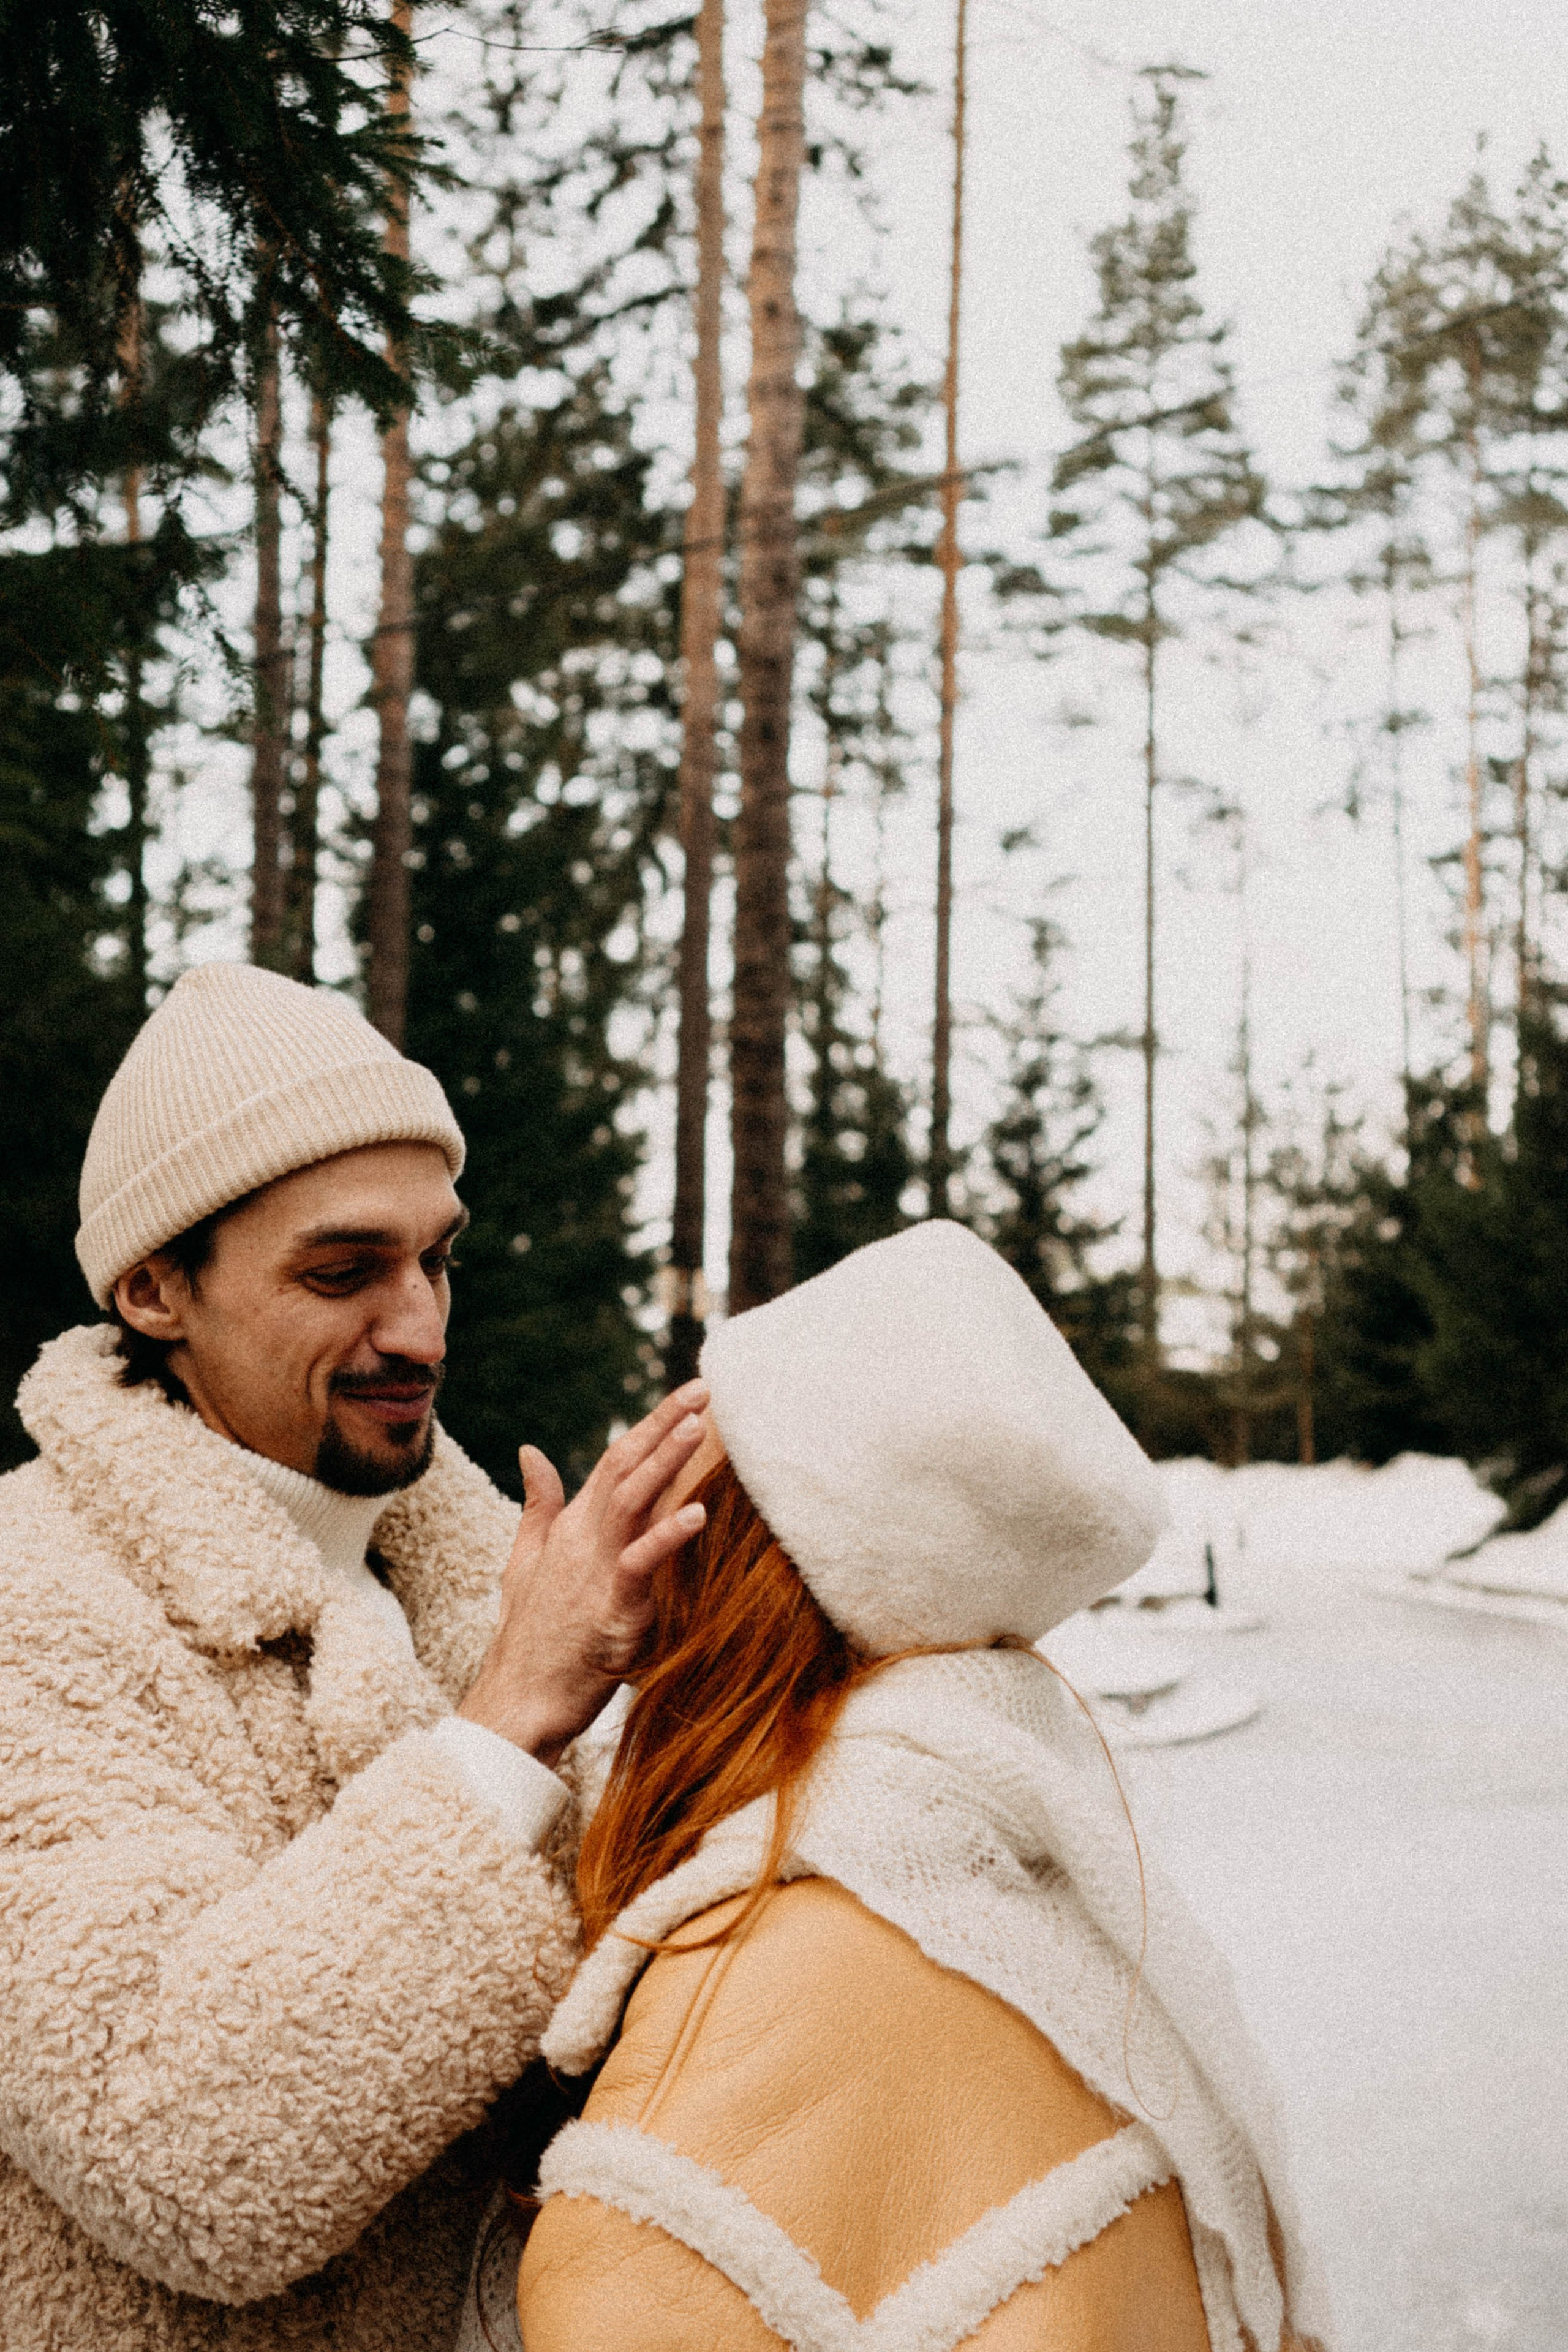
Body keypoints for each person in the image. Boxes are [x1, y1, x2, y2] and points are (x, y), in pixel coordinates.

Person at [0, 962, 709, 2351]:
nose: (422, 1328)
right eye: (343, 1273)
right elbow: (188, 2158)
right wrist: (509, 1723)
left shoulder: (483, 1580)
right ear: (155, 1290)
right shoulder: (31, 1603)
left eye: (437, 1259)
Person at [512, 1221, 1333, 2352]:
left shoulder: (754, 1979)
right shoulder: (1041, 1881)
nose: (638, 1518)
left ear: (743, 1555)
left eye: (694, 1459)